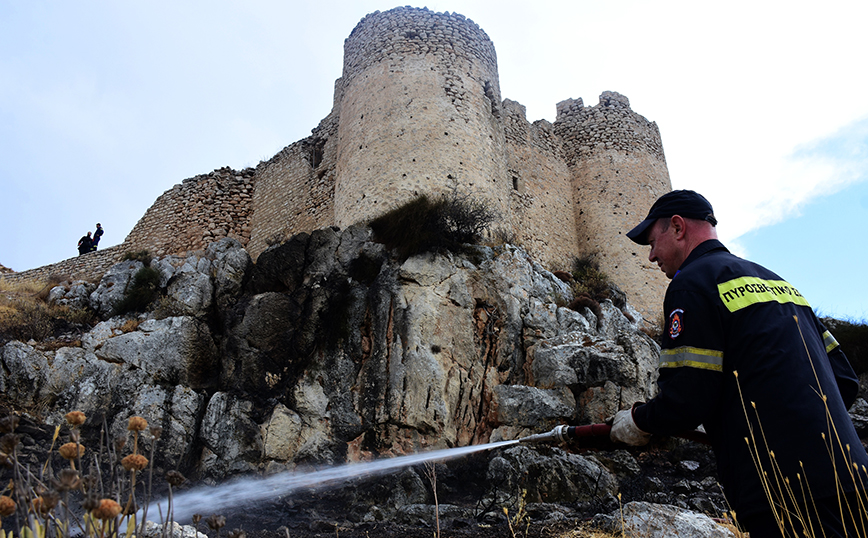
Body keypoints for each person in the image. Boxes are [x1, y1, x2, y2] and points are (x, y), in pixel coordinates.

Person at [610, 190, 868, 538]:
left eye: (653, 242)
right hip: (852, 475)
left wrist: (637, 421)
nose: (652, 255)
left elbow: (687, 397)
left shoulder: (693, 284)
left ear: (677, 227)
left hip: (780, 491)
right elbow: (843, 379)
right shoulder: (779, 284)